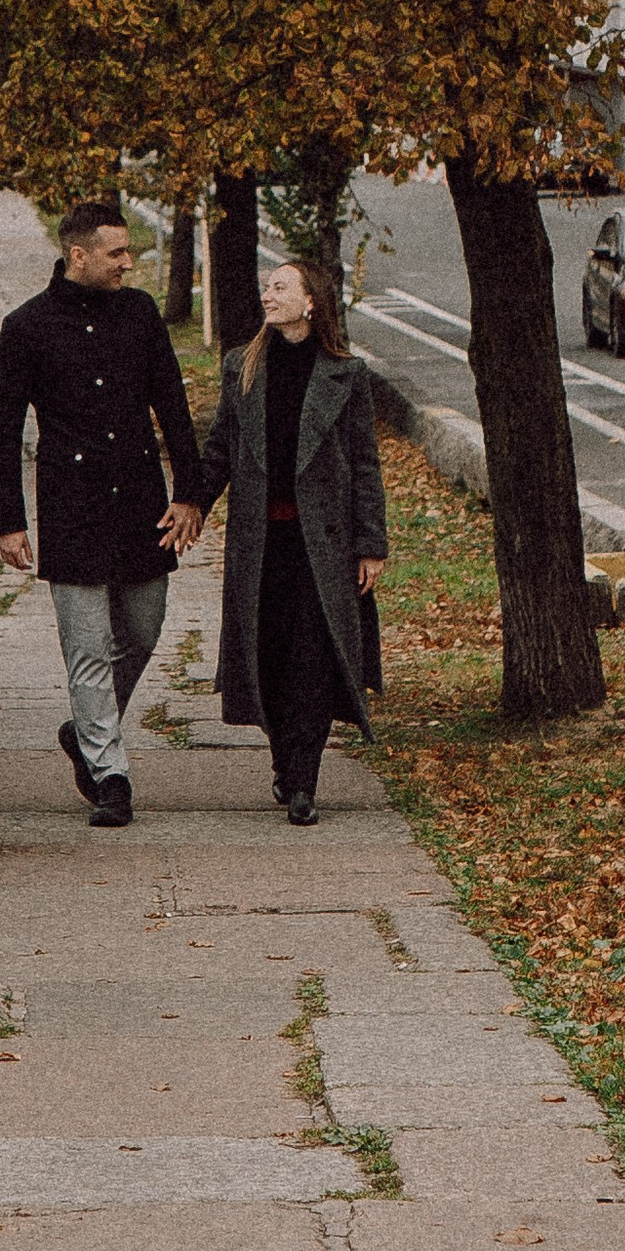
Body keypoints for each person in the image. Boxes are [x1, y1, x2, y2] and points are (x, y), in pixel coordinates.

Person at [0, 199, 201, 831]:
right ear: (78, 255)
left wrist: (189, 493)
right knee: (86, 649)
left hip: (140, 500)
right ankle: (110, 775)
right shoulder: (26, 327)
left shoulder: (140, 313)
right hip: (71, 507)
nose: (128, 263)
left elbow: (173, 403)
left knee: (143, 629)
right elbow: (4, 431)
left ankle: (83, 729)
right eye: (117, 252)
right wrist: (9, 520)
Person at [196, 256, 387, 826]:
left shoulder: (346, 376)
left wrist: (371, 544)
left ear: (310, 302)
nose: (267, 294)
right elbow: (220, 448)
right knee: (269, 656)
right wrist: (192, 504)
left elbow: (365, 464)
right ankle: (284, 759)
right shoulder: (243, 366)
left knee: (314, 660)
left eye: (280, 287)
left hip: (322, 545)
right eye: (266, 286)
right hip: (261, 543)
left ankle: (304, 780)